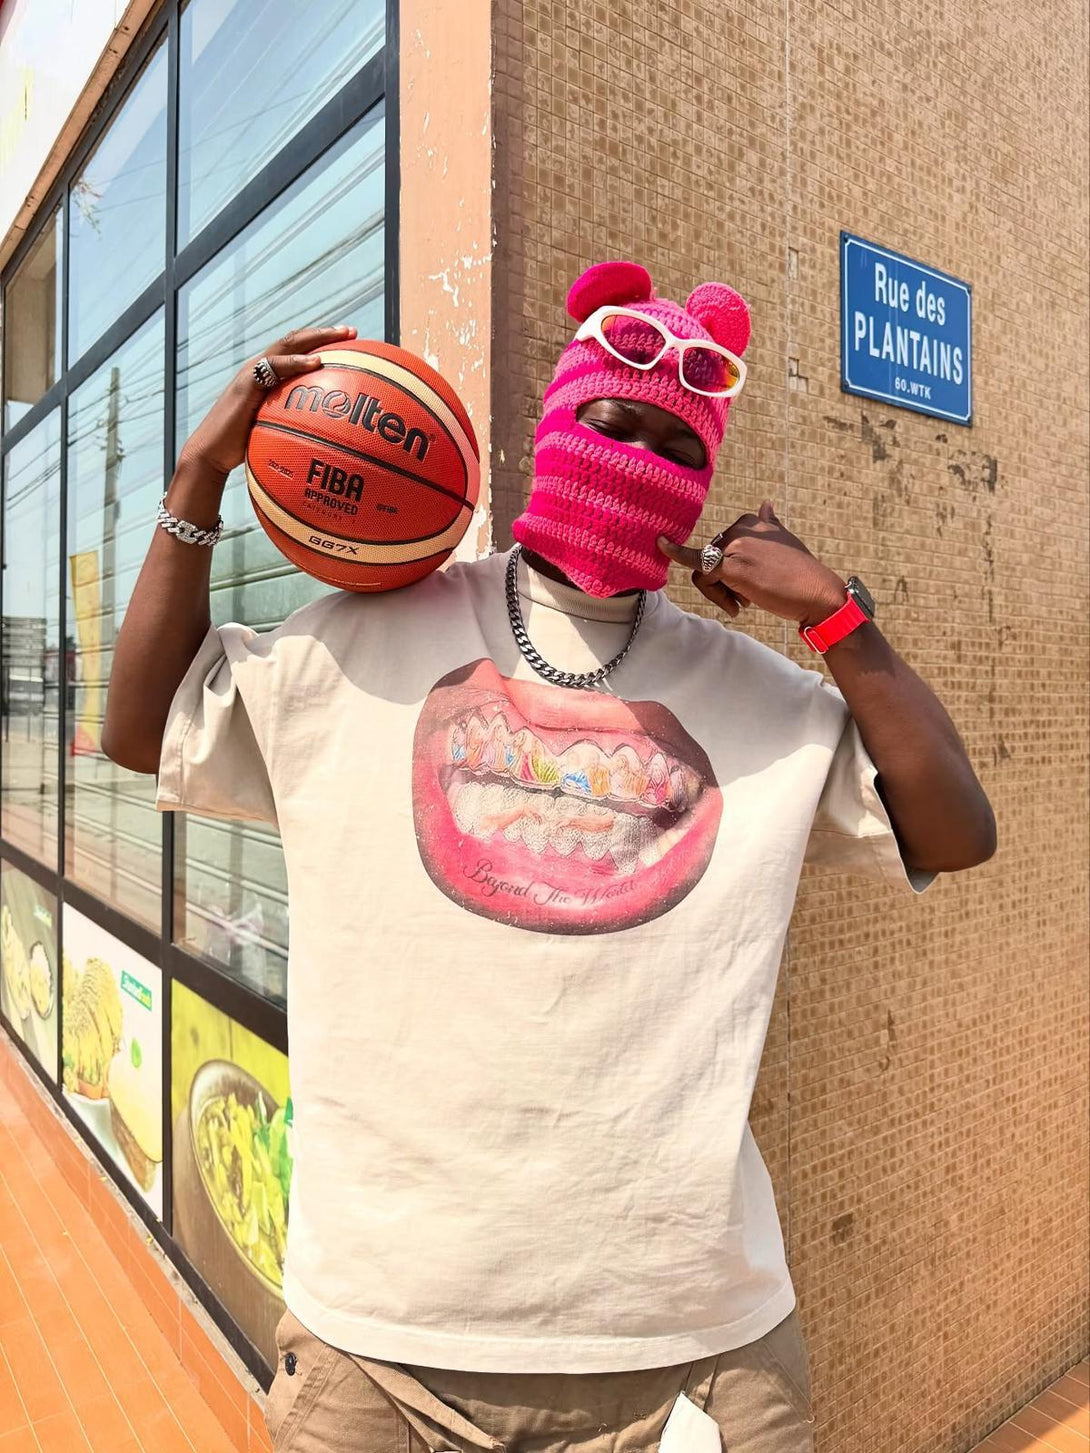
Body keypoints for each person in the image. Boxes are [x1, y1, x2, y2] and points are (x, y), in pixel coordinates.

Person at [103, 259, 996, 1453]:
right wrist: (197, 478)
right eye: (610, 417)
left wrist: (839, 616)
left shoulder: (764, 700)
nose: (633, 454)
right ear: (555, 417)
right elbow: (137, 730)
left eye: (674, 443)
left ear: (707, 481)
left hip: (690, 1347)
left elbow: (957, 831)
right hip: (379, 1338)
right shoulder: (357, 639)